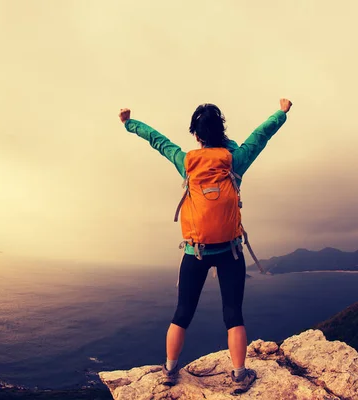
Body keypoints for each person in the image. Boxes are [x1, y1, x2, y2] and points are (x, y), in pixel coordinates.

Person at [118, 99, 292, 395]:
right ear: (221, 131)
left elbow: (158, 141)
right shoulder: (234, 159)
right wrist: (282, 112)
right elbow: (260, 135)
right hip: (231, 251)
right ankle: (239, 375)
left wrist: (129, 123)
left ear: (196, 135)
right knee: (233, 313)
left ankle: (170, 371)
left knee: (183, 312)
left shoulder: (186, 160)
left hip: (195, 251)